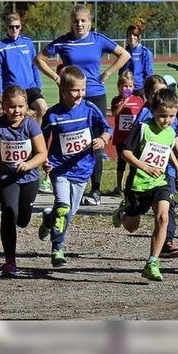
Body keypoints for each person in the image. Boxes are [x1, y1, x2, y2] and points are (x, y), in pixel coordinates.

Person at [34, 4, 130, 206]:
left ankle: (95, 190)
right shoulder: (63, 42)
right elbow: (39, 59)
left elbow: (124, 55)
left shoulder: (98, 39)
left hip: (94, 95)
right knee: (67, 139)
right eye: (76, 21)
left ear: (89, 22)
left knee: (96, 143)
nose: (79, 24)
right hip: (69, 97)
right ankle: (63, 180)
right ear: (71, 22)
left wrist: (108, 73)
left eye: (83, 20)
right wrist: (56, 77)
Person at [38, 66, 112, 267]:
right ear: (62, 90)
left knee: (69, 213)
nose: (80, 94)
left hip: (82, 169)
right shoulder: (53, 115)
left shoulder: (89, 108)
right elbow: (42, 139)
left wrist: (102, 140)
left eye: (82, 89)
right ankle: (57, 249)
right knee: (63, 208)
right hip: (59, 169)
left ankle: (48, 219)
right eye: (75, 90)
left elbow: (107, 128)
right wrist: (44, 159)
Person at [112, 88, 178, 281]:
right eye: (162, 116)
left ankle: (152, 261)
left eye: (171, 116)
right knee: (131, 227)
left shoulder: (170, 132)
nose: (167, 120)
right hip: (138, 184)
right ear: (153, 111)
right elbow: (125, 153)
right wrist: (145, 167)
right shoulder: (143, 128)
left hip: (160, 182)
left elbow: (167, 150)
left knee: (163, 217)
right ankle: (123, 212)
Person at [0, 85, 47, 278]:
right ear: (3, 106)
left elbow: (42, 153)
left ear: (26, 106)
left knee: (23, 219)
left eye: (20, 106)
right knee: (9, 214)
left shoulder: (31, 125)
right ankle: (10, 261)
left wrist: (28, 165)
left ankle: (41, 217)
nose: (16, 111)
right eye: (11, 107)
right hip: (6, 178)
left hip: (29, 178)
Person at [131, 75, 178, 258]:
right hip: (144, 172)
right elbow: (136, 143)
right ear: (149, 95)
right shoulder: (145, 116)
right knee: (137, 212)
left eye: (164, 90)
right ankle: (128, 210)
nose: (162, 95)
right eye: (157, 92)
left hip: (167, 170)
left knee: (168, 206)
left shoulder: (169, 112)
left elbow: (170, 141)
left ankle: (167, 241)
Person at [0, 13, 46, 123]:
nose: (14, 29)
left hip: (30, 87)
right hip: (13, 90)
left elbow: (34, 65)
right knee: (17, 119)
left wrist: (38, 85)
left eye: (17, 26)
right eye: (11, 27)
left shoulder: (28, 43)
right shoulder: (0, 47)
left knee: (42, 108)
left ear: (21, 27)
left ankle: (38, 137)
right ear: (6, 28)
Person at [108, 71, 144, 196]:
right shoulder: (116, 100)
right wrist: (123, 102)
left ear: (133, 87)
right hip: (121, 137)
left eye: (130, 86)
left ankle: (132, 185)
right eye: (124, 86)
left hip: (134, 137)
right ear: (119, 87)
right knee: (121, 162)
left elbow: (142, 116)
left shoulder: (138, 100)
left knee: (134, 161)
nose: (127, 88)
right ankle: (119, 186)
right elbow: (114, 114)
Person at [119, 24, 153, 94]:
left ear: (139, 37)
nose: (132, 37)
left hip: (139, 89)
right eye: (129, 35)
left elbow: (148, 74)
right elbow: (120, 72)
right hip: (125, 88)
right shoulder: (124, 52)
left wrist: (146, 90)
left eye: (134, 35)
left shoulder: (145, 52)